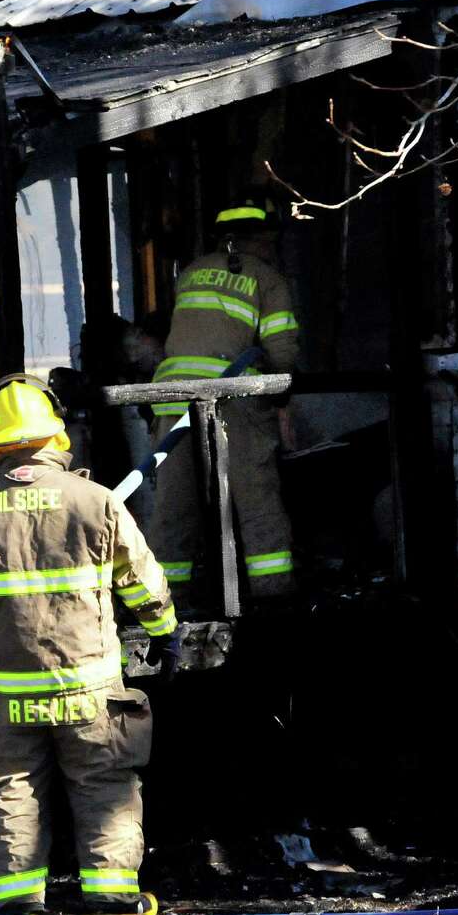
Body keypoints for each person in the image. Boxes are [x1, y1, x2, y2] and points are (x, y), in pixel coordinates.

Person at [0, 375, 176, 915]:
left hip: (2, 694)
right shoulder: (95, 502)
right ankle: (111, 896)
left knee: (8, 789)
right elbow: (141, 579)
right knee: (103, 783)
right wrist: (165, 632)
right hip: (88, 687)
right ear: (56, 434)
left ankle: (18, 904)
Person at [147, 191, 300, 610]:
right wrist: (283, 391)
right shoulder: (267, 279)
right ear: (263, 238)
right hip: (235, 400)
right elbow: (282, 350)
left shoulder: (192, 272)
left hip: (172, 400)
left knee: (175, 506)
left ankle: (163, 604)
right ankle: (274, 600)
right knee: (256, 501)